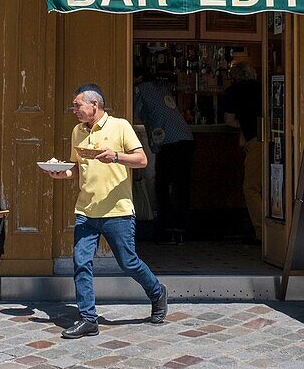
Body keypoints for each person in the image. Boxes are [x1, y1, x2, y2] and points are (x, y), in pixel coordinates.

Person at [45, 84, 167, 339]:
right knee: (81, 263)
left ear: (95, 105)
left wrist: (115, 157)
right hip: (86, 210)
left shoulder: (120, 126)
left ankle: (157, 292)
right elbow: (76, 169)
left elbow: (142, 160)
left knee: (128, 262)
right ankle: (88, 318)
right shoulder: (77, 131)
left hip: (117, 211)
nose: (74, 110)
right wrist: (61, 174)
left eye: (78, 105)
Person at [133, 68, 194, 243]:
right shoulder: (160, 88)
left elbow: (132, 115)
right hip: (186, 138)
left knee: (162, 185)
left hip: (170, 142)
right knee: (181, 186)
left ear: (138, 77)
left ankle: (165, 229)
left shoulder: (140, 89)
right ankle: (182, 229)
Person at [220, 62, 263, 244]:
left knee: (250, 187)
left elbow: (229, 120)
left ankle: (262, 232)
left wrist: (245, 124)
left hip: (255, 140)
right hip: (276, 138)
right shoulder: (264, 88)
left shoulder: (233, 91)